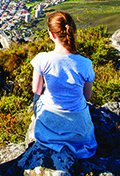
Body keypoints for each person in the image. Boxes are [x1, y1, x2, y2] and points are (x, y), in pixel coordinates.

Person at [30, 11, 97, 158]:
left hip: (51, 124)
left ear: (52, 35)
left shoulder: (42, 59)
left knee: (37, 97)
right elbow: (87, 96)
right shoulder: (86, 63)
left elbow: (36, 89)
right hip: (79, 128)